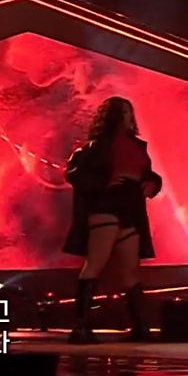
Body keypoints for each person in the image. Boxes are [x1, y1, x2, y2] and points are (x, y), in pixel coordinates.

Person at [63, 97, 163, 344]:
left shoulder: (137, 147)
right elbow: (74, 172)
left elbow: (148, 174)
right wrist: (104, 182)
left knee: (130, 271)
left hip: (130, 208)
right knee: (95, 264)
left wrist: (152, 183)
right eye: (124, 113)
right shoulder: (95, 148)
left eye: (130, 112)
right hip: (107, 205)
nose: (129, 117)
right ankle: (80, 327)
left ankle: (140, 326)